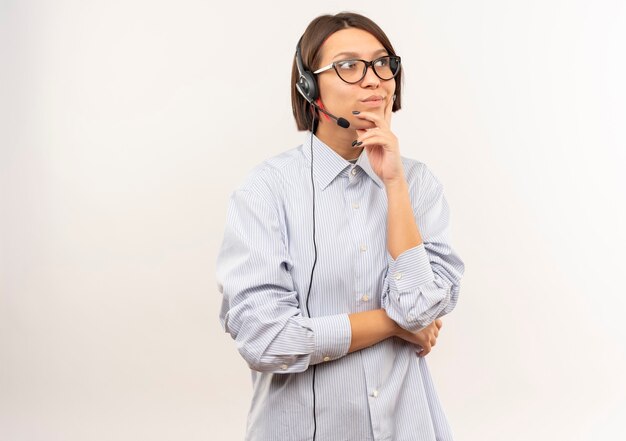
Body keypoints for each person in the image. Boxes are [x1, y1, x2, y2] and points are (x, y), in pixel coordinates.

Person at [217, 11, 465, 441]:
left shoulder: (417, 184)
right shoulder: (265, 191)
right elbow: (266, 339)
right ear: (308, 87)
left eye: (382, 63)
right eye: (349, 66)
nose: (373, 79)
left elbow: (420, 307)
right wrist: (392, 324)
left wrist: (393, 184)